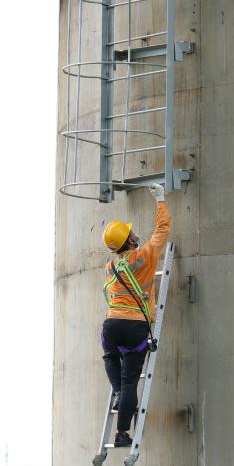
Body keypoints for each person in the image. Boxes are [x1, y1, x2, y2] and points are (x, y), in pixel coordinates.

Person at [99, 183, 170, 449]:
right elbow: (162, 231)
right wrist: (160, 200)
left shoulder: (109, 266)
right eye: (131, 233)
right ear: (128, 241)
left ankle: (116, 392)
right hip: (135, 325)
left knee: (109, 356)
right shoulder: (144, 256)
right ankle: (121, 433)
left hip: (111, 324)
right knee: (132, 382)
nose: (135, 235)